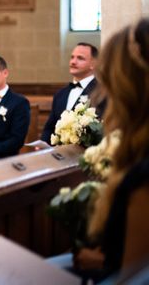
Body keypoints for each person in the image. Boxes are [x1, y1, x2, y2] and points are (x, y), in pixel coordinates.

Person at [74, 19, 149, 281]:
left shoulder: (144, 175)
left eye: (109, 86)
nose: (101, 97)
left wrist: (100, 261)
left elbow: (134, 276)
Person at [41, 43, 101, 144]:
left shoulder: (100, 92)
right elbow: (50, 127)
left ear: (93, 64)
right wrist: (42, 146)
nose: (73, 62)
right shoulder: (60, 94)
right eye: (72, 57)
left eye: (80, 58)